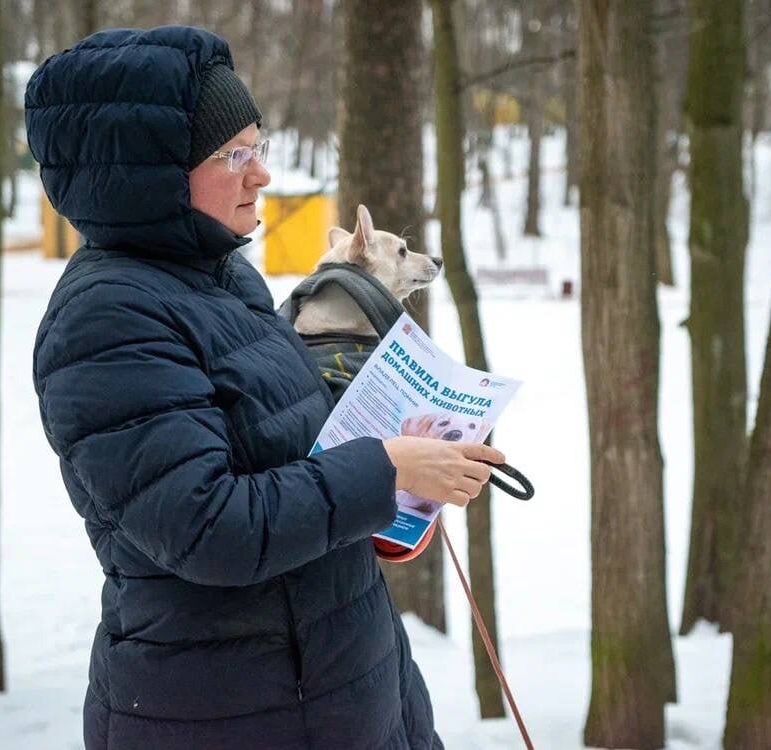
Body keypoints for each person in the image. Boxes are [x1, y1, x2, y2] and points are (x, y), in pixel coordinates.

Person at [25, 25, 504, 750]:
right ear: (150, 176)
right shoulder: (106, 320)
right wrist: (383, 469)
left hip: (343, 686)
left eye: (260, 146)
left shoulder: (224, 277)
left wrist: (405, 457)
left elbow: (293, 462)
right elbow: (210, 529)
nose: (261, 176)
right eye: (233, 155)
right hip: (227, 711)